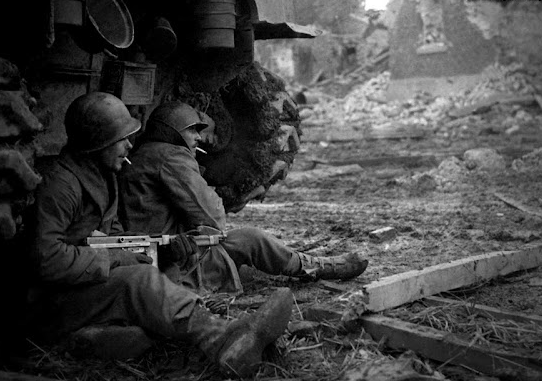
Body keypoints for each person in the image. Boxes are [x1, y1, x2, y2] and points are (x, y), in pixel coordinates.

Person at [26, 91, 293, 378]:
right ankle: (223, 340)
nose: (130, 145)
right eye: (121, 139)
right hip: (54, 303)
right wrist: (114, 258)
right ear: (98, 142)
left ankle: (102, 338)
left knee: (151, 278)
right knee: (139, 280)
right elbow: (46, 259)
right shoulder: (60, 185)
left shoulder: (103, 177)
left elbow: (111, 236)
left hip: (85, 287)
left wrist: (158, 249)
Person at [118, 100, 368, 293]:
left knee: (249, 242)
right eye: (191, 130)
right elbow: (213, 217)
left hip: (160, 257)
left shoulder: (146, 154)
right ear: (172, 132)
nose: (198, 137)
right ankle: (318, 267)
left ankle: (309, 265)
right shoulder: (171, 156)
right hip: (175, 265)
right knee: (253, 240)